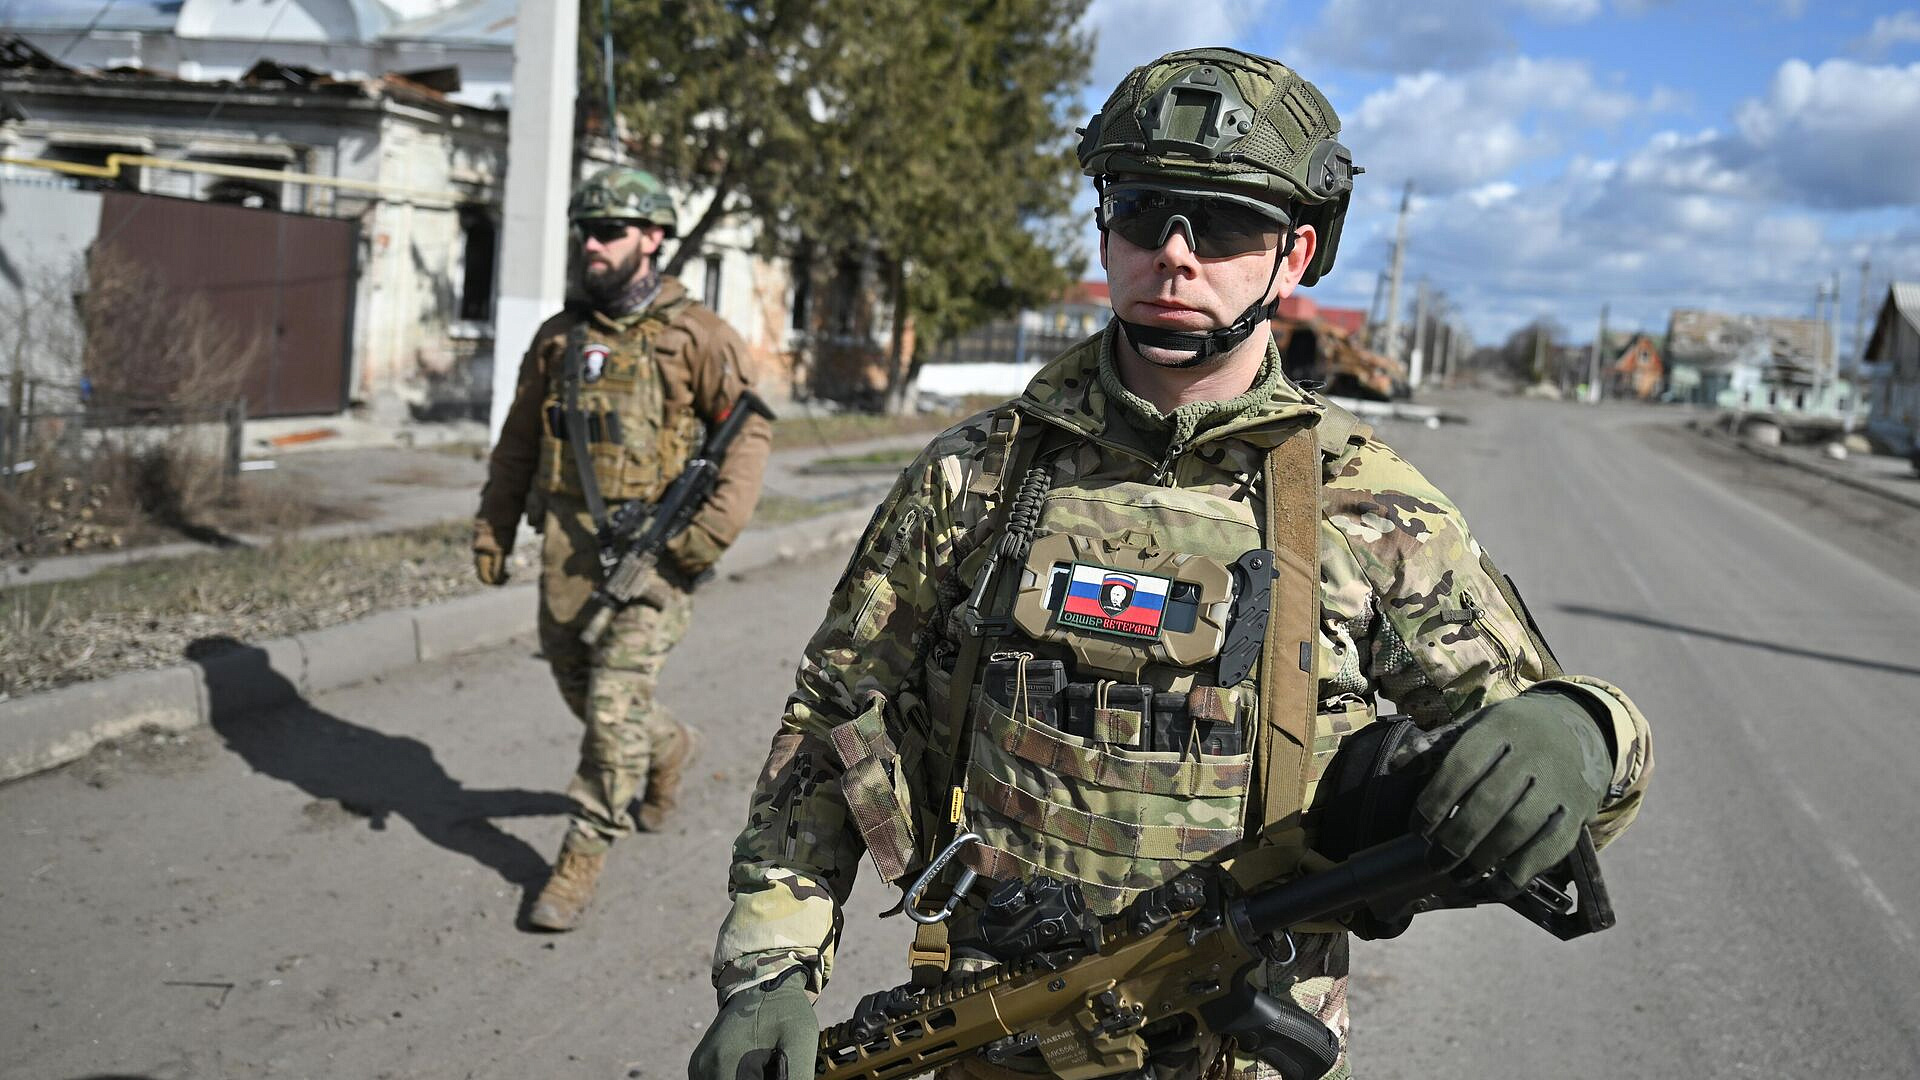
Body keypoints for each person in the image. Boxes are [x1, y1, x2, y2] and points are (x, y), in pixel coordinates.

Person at [690, 48, 1652, 1080]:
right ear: (1109, 232)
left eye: (1228, 224)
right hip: (990, 1028)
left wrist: (1586, 728)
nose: (1176, 256)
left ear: (1295, 256)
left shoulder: (1371, 508)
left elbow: (1551, 776)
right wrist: (770, 972)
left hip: (1238, 1045)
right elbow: (837, 716)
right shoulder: (977, 477)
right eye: (1146, 211)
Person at [473, 166, 771, 932]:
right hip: (569, 548)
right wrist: (493, 525)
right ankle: (669, 749)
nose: (593, 245)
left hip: (659, 554)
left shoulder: (697, 337)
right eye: (587, 232)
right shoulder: (559, 338)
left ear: (653, 239)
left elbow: (748, 440)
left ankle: (581, 855)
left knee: (610, 706)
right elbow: (515, 444)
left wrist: (701, 541)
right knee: (585, 688)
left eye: (609, 231)